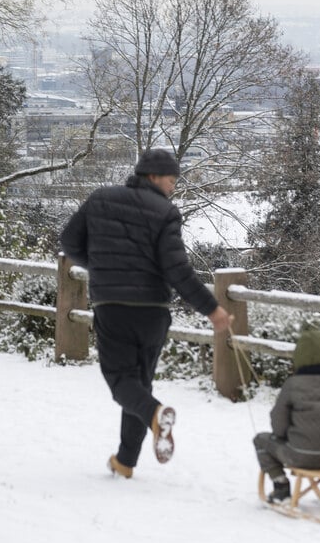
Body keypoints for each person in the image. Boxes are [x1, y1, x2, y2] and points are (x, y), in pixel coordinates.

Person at [60, 148, 230, 479]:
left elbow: (69, 242)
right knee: (138, 384)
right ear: (152, 176)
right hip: (153, 313)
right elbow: (177, 269)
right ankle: (125, 460)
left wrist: (101, 268)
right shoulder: (166, 212)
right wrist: (211, 309)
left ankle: (154, 415)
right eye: (171, 181)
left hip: (113, 308)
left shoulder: (100, 199)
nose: (173, 188)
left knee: (122, 382)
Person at [254, 327, 320, 503]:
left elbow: (279, 423)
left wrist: (285, 436)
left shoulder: (293, 384)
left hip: (301, 455)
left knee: (261, 440)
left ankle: (281, 485)